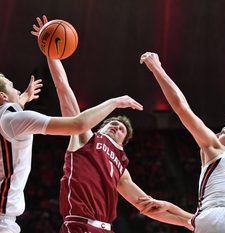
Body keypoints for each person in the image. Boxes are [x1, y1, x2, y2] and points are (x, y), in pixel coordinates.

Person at [32, 15, 194, 233]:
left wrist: (187, 222)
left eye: (121, 129)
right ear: (100, 128)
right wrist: (52, 54)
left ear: (123, 144)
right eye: (112, 124)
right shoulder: (86, 138)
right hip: (79, 224)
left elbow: (148, 206)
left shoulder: (120, 166)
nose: (117, 127)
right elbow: (64, 90)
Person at [0, 68, 143, 233]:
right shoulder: (15, 120)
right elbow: (78, 124)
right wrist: (115, 102)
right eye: (12, 87)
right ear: (3, 96)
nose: (17, 89)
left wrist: (22, 99)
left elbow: (7, 115)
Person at [140, 51, 225, 233]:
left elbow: (181, 108)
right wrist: (170, 208)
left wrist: (156, 67)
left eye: (223, 132)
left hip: (218, 217)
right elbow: (203, 218)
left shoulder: (218, 149)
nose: (216, 134)